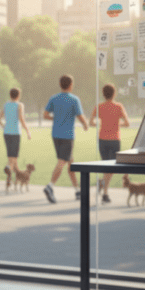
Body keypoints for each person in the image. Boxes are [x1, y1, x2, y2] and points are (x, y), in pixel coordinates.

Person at [42, 74, 89, 204]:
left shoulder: (54, 98)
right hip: (67, 135)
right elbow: (80, 116)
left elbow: (45, 115)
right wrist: (85, 125)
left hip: (55, 134)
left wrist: (55, 118)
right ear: (71, 85)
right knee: (62, 162)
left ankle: (77, 190)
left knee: (70, 163)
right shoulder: (74, 99)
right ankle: (50, 186)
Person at [90, 83, 129, 204]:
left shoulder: (99, 107)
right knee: (110, 167)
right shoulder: (118, 106)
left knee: (107, 166)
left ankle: (102, 183)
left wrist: (101, 124)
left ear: (103, 94)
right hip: (114, 140)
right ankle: (105, 193)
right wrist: (117, 125)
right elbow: (127, 123)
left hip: (102, 139)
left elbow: (91, 122)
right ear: (114, 93)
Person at [0, 87, 31, 184]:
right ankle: (8, 168)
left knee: (12, 157)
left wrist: (5, 126)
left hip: (7, 133)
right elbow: (21, 119)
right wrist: (28, 131)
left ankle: (11, 178)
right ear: (18, 95)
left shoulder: (5, 105)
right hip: (16, 133)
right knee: (13, 157)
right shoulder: (20, 105)